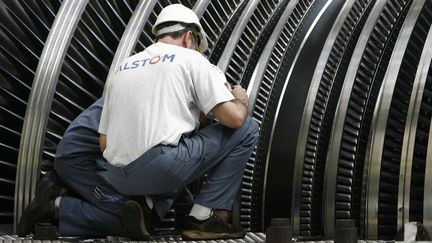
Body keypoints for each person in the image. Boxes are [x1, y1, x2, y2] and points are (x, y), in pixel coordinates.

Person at [98, 3, 259, 241]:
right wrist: (240, 100)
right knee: (247, 128)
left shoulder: (122, 67)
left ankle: (146, 205)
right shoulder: (191, 59)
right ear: (189, 37)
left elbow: (104, 143)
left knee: (172, 142)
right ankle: (205, 216)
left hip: (116, 176)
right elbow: (234, 119)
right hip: (160, 168)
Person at [17, 98, 171, 238]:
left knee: (139, 219)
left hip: (86, 155)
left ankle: (69, 194)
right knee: (137, 218)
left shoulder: (152, 89)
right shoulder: (166, 113)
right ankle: (53, 206)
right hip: (79, 160)